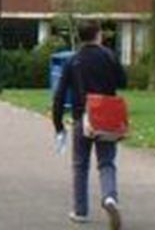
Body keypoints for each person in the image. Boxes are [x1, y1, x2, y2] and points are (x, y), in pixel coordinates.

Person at [51, 20, 127, 228]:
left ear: (80, 36)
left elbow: (59, 96)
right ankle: (110, 197)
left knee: (80, 164)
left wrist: (58, 125)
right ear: (98, 35)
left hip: (81, 117)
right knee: (107, 162)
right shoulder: (109, 56)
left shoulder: (73, 61)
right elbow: (123, 81)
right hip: (107, 117)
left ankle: (80, 210)